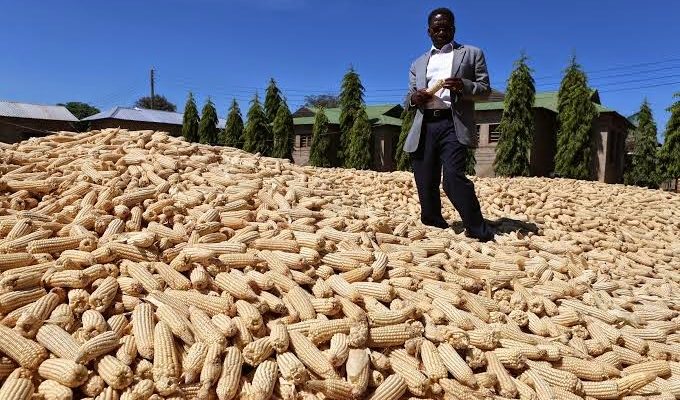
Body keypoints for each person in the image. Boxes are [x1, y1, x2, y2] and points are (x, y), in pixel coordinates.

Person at [403, 7, 495, 242]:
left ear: (453, 28)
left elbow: (484, 90)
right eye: (437, 28)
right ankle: (433, 224)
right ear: (428, 31)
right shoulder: (418, 63)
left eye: (446, 27)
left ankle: (478, 229)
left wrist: (464, 85)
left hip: (453, 122)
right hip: (425, 123)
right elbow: (409, 97)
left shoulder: (472, 53)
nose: (441, 31)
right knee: (424, 178)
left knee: (453, 178)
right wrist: (414, 99)